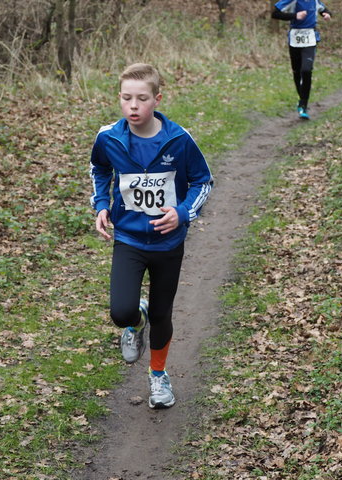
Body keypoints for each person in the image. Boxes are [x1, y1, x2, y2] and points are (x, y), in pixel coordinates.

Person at [89, 63, 213, 409]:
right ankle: (134, 318)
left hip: (168, 243)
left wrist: (183, 212)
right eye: (126, 98)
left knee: (162, 314)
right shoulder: (109, 138)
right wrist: (101, 204)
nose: (133, 106)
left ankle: (158, 377)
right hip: (128, 239)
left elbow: (203, 181)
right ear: (119, 99)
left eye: (141, 99)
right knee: (120, 311)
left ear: (156, 99)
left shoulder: (177, 140)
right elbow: (99, 169)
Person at [272, 0, 332, 120]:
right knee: (297, 72)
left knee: (306, 70)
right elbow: (275, 14)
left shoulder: (314, 1)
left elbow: (323, 9)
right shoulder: (292, 1)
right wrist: (295, 16)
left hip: (310, 38)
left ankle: (303, 105)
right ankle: (302, 99)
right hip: (295, 38)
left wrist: (326, 14)